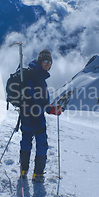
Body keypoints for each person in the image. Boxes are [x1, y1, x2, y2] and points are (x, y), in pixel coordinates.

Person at [19, 49, 62, 183]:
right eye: (45, 61)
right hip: (35, 116)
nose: (48, 64)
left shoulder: (34, 74)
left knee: (26, 142)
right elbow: (38, 100)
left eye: (50, 62)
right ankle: (37, 174)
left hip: (26, 114)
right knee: (41, 144)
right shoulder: (37, 76)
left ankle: (23, 170)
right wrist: (51, 109)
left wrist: (48, 107)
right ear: (40, 60)